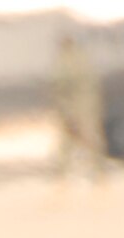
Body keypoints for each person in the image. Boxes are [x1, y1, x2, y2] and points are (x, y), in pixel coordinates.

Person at [51, 33, 108, 185]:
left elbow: (61, 87)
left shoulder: (64, 62)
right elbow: (92, 86)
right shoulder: (83, 60)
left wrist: (65, 110)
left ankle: (62, 176)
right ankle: (99, 172)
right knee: (90, 140)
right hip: (86, 106)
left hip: (75, 107)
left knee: (69, 142)